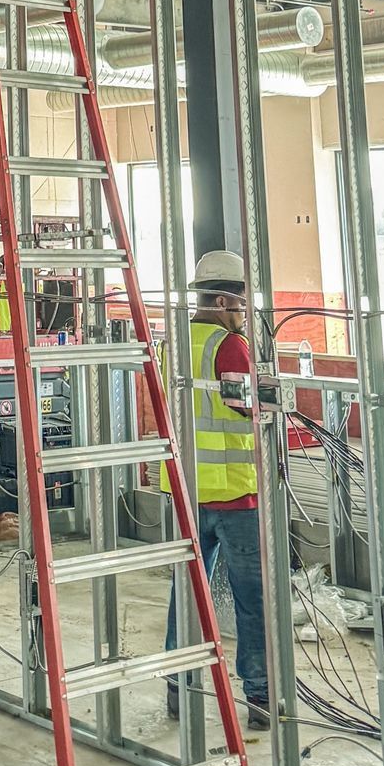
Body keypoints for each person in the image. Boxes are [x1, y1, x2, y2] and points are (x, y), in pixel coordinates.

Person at [162, 248, 270, 730]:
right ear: (227, 300)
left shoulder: (176, 342)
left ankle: (178, 690)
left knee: (187, 594)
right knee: (252, 599)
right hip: (232, 494)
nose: (243, 313)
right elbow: (248, 408)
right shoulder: (230, 346)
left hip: (186, 488)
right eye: (241, 305)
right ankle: (261, 696)